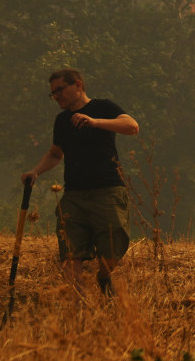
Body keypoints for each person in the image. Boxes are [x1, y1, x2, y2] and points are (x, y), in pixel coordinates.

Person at [22, 67, 139, 300]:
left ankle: (104, 276)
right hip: (74, 196)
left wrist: (95, 122)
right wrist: (35, 171)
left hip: (108, 191)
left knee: (114, 246)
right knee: (70, 253)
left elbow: (132, 126)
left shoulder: (103, 107)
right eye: (53, 93)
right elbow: (56, 154)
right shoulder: (62, 121)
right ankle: (81, 307)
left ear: (77, 85)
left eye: (59, 90)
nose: (56, 96)